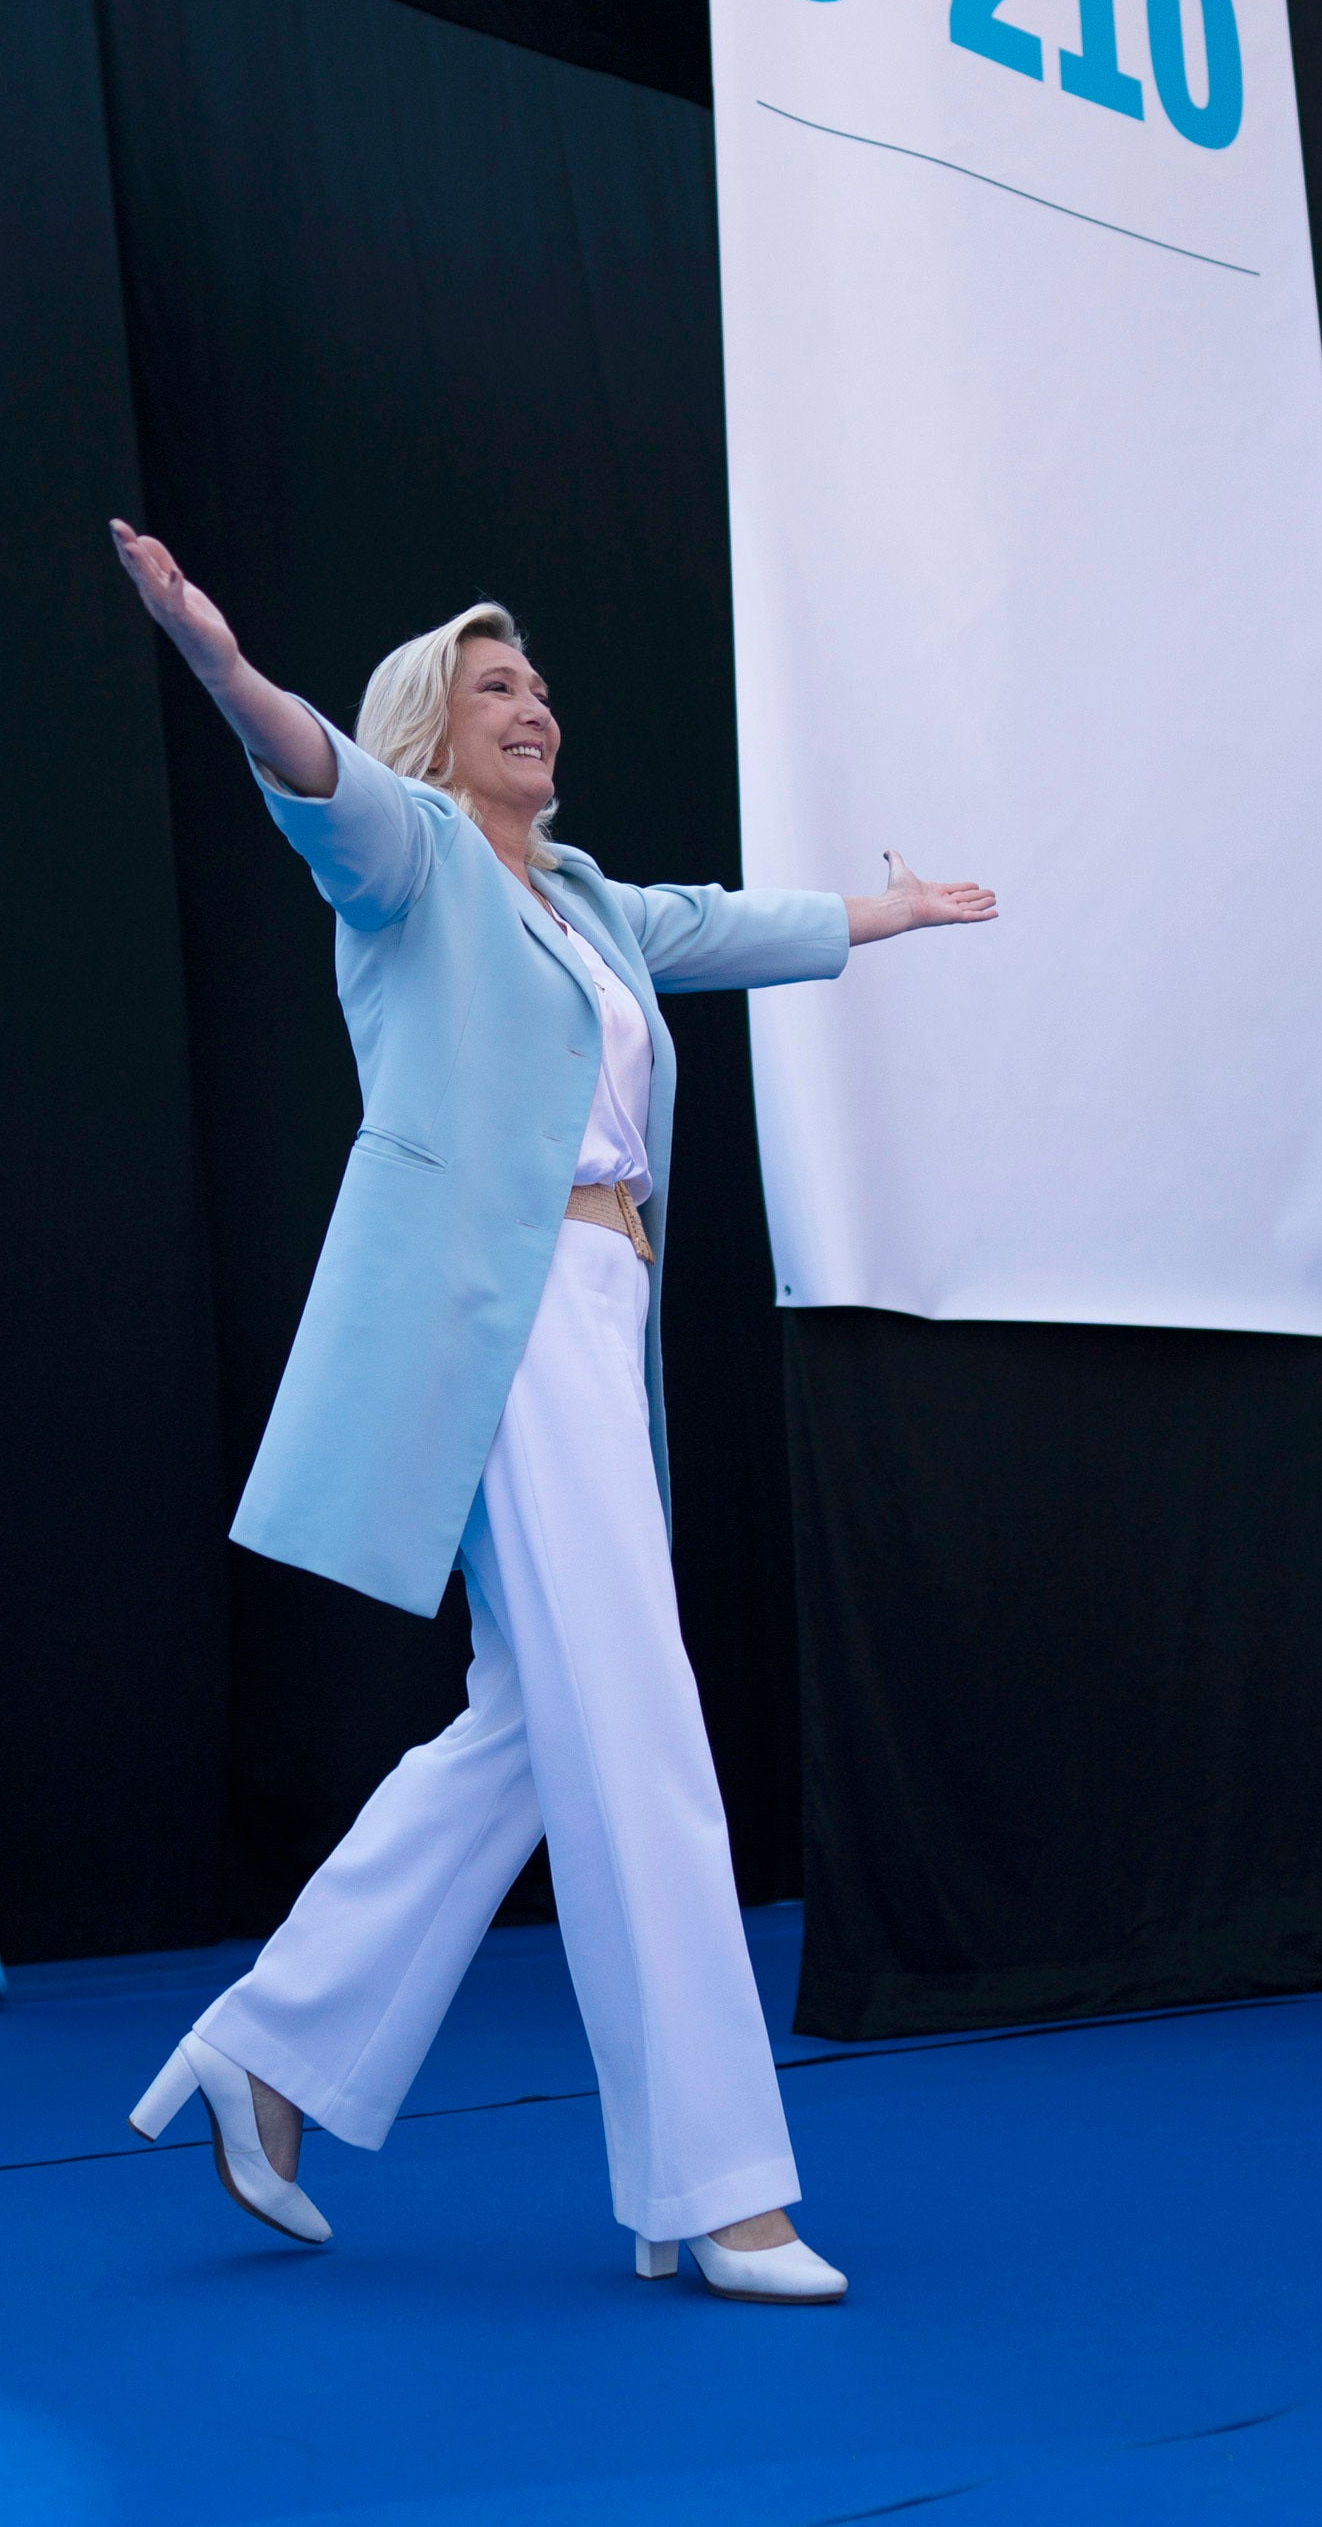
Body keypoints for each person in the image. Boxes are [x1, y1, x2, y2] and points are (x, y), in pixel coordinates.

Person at [107, 523, 995, 2304]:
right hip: (499, 1319)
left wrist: (884, 913)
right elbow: (311, 770)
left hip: (599, 1313)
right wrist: (218, 657)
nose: (539, 708)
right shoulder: (411, 855)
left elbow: (721, 928)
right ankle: (716, 2183)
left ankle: (272, 2051)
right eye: (496, 686)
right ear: (433, 729)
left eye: (541, 687)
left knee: (538, 1720)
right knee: (640, 1724)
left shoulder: (582, 900)